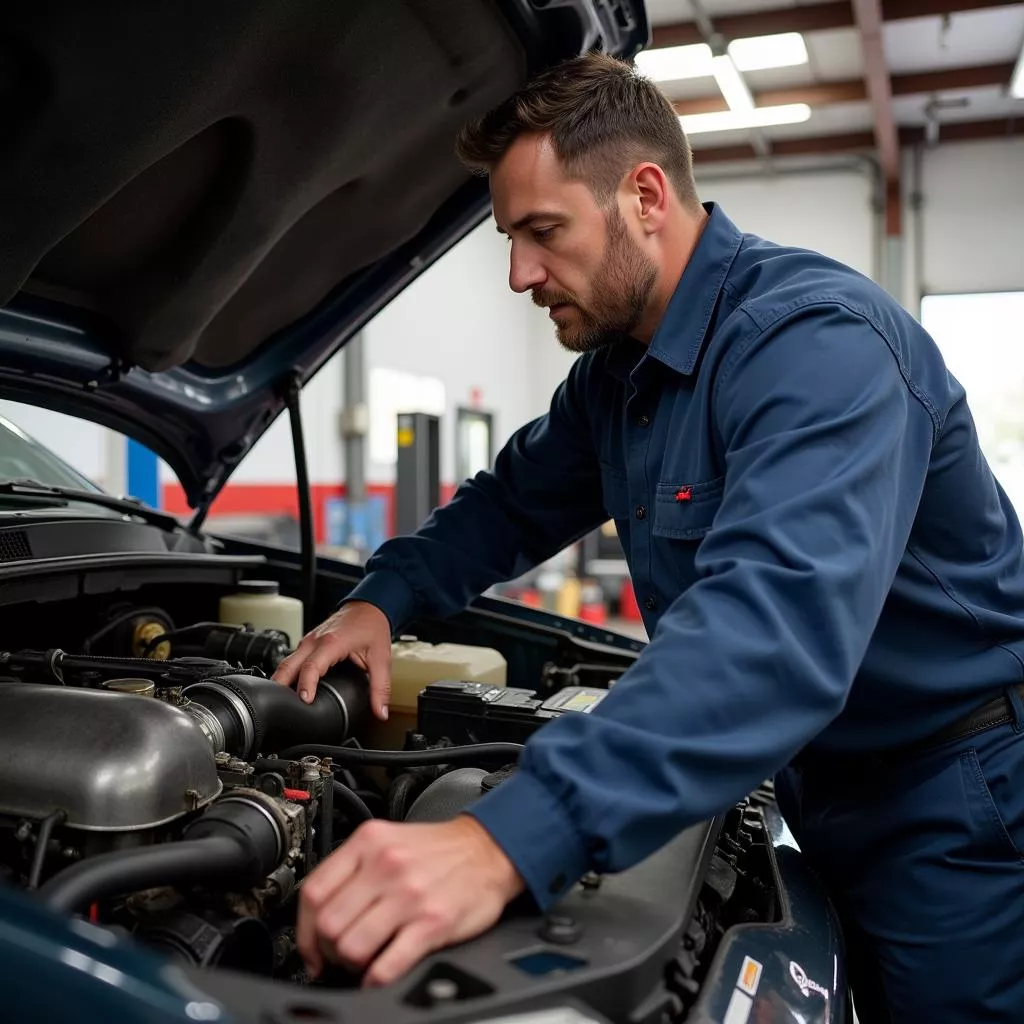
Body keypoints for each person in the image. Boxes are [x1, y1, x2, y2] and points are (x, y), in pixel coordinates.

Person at [272, 51, 1024, 1020]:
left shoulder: (817, 345)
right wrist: (385, 595)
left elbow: (770, 633)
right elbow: (509, 503)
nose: (518, 274)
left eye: (543, 231)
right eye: (508, 238)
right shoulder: (619, 378)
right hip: (819, 783)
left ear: (645, 196)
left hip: (951, 808)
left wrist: (506, 838)